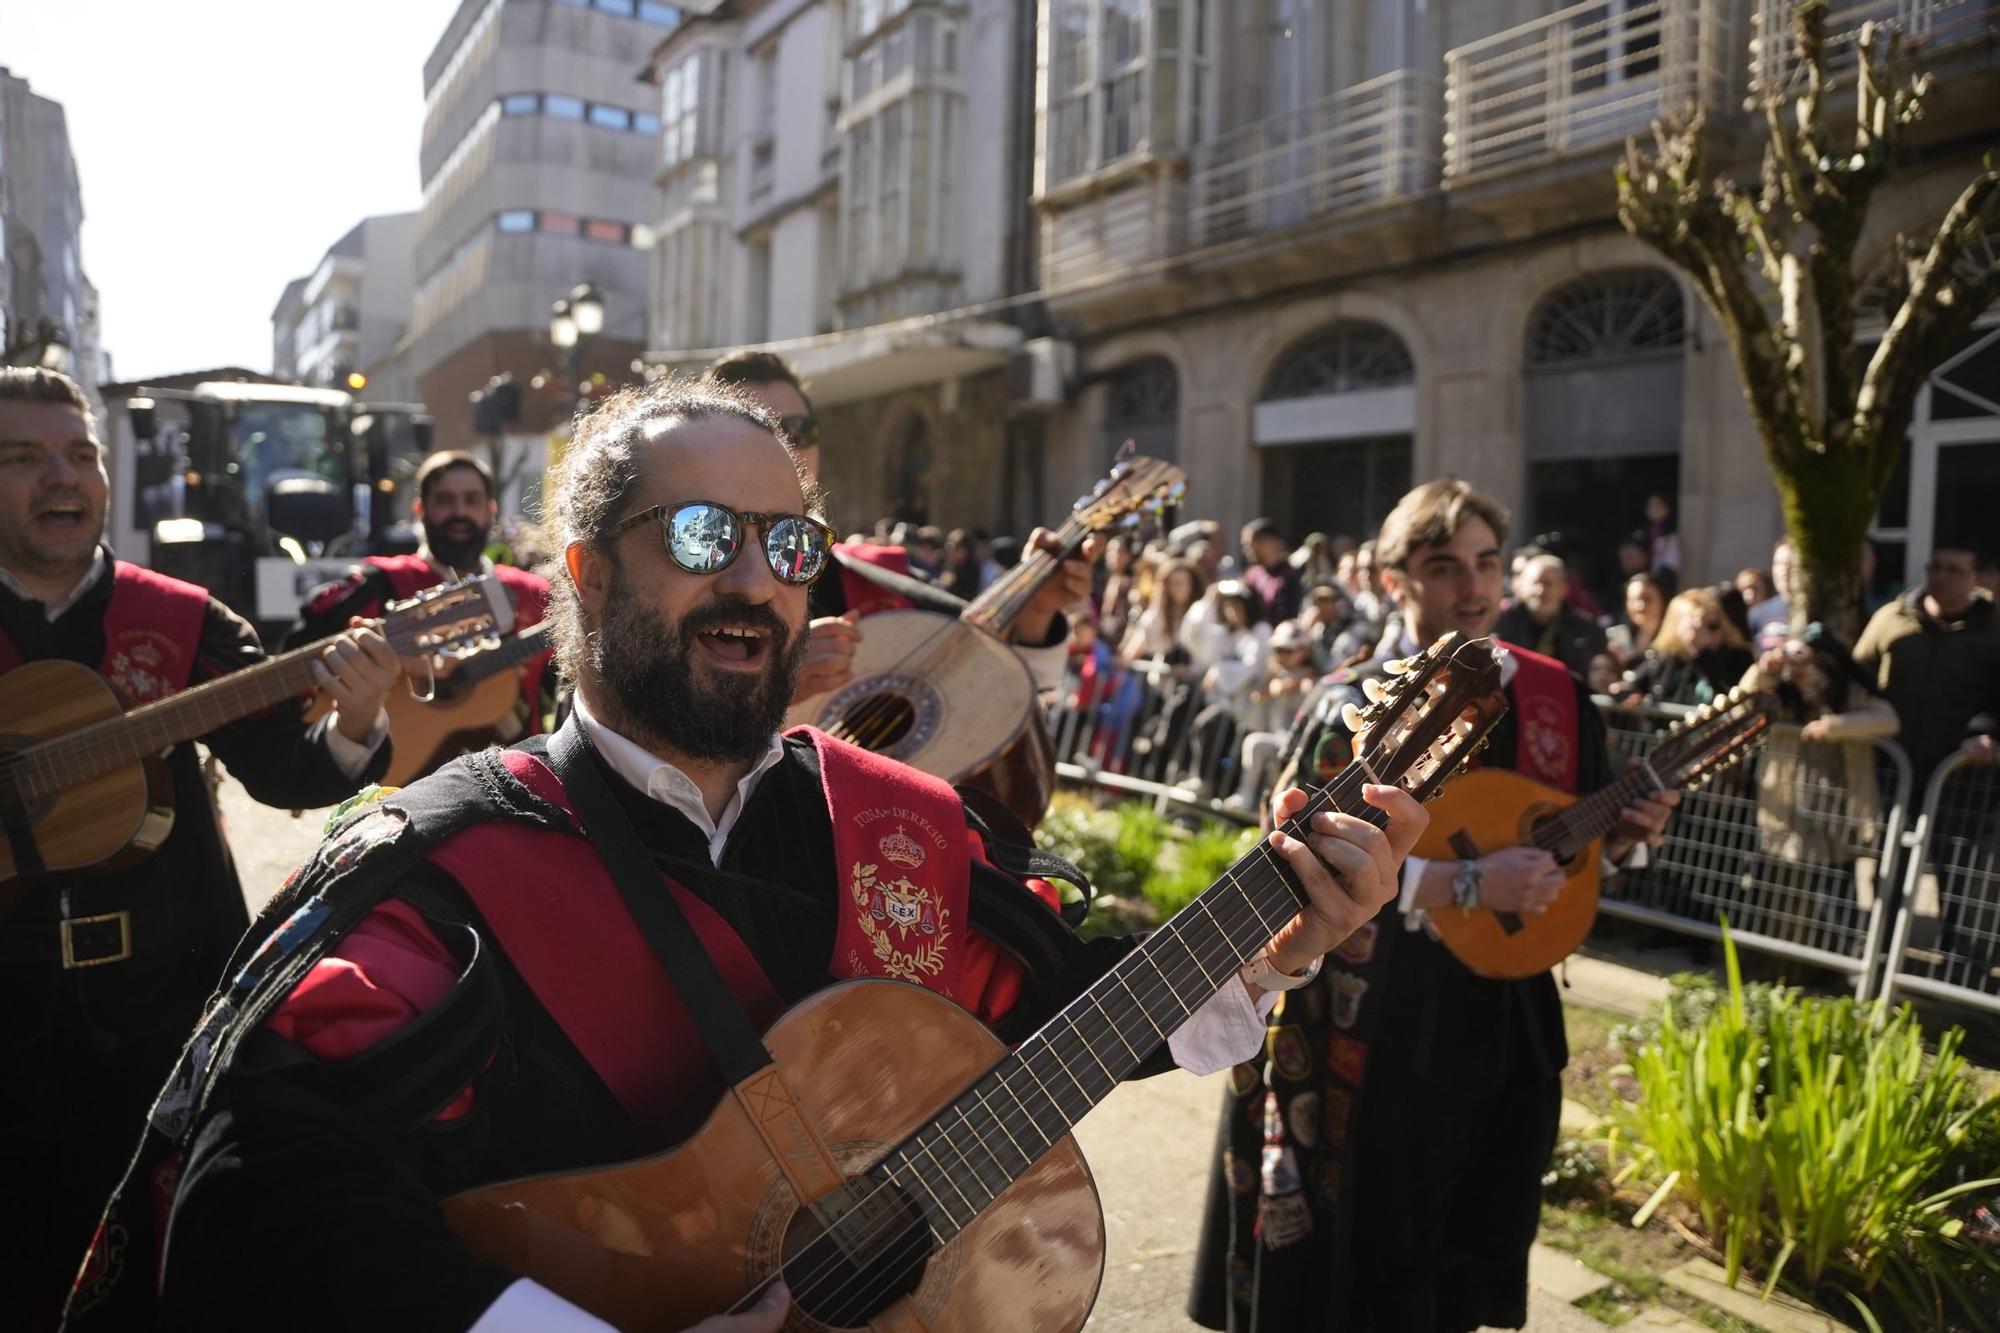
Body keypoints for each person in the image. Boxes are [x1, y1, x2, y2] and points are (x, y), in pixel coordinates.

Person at [67, 378, 1429, 1331]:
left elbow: (1058, 1004)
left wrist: (1276, 932)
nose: (759, 579)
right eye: (707, 535)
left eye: (789, 543)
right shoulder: (441, 871)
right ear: (589, 574)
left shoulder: (897, 825)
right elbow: (273, 1216)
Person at [1189, 478, 1677, 1333]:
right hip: (1373, 1027)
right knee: (1365, 1265)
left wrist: (1629, 835)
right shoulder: (1351, 701)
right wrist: (1465, 883)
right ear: (1393, 580)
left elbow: (1569, 844)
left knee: (1460, 1262)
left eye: (1488, 561)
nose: (1474, 585)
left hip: (1499, 1027)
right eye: (1444, 564)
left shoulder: (1558, 695)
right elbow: (1293, 867)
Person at [0, 367, 400, 1330]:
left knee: (163, 1269)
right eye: (22, 457)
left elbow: (289, 773)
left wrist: (358, 714)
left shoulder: (179, 621)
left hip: (158, 1009)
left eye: (80, 454)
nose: (64, 477)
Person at [703, 351, 1080, 708]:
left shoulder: (877, 581)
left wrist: (1037, 615)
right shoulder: (671, 579)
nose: (784, 447)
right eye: (758, 427)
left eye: (799, 430)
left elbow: (1004, 688)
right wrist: (773, 690)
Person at [288, 451, 555, 747]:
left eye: (472, 500)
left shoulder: (533, 594)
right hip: (400, 770)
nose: (460, 512)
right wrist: (394, 657)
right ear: (420, 510)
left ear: (491, 510)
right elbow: (297, 661)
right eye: (444, 500)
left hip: (515, 773)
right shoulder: (379, 583)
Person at [1852, 538, 2000, 787]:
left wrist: (1987, 731)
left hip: (1960, 771)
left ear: (1975, 579)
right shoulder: (1892, 619)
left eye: (1954, 570)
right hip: (1888, 762)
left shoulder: (1993, 630)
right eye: (1935, 567)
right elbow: (1857, 676)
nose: (1941, 576)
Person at [1615, 585, 1756, 708]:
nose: (1708, 632)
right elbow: (1634, 686)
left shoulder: (1739, 657)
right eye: (1698, 626)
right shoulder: (1665, 659)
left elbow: (1730, 692)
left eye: (1713, 625)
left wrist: (1702, 653)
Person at [1494, 551, 1608, 677]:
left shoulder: (1587, 629)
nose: (1540, 591)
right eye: (1535, 583)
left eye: (1548, 583)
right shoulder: (1500, 623)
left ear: (1563, 588)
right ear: (1522, 586)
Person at [1242, 518, 1305, 625]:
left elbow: (1288, 619)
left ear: (1268, 544)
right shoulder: (1251, 575)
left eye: (1250, 544)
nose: (1247, 550)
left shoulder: (1289, 578)